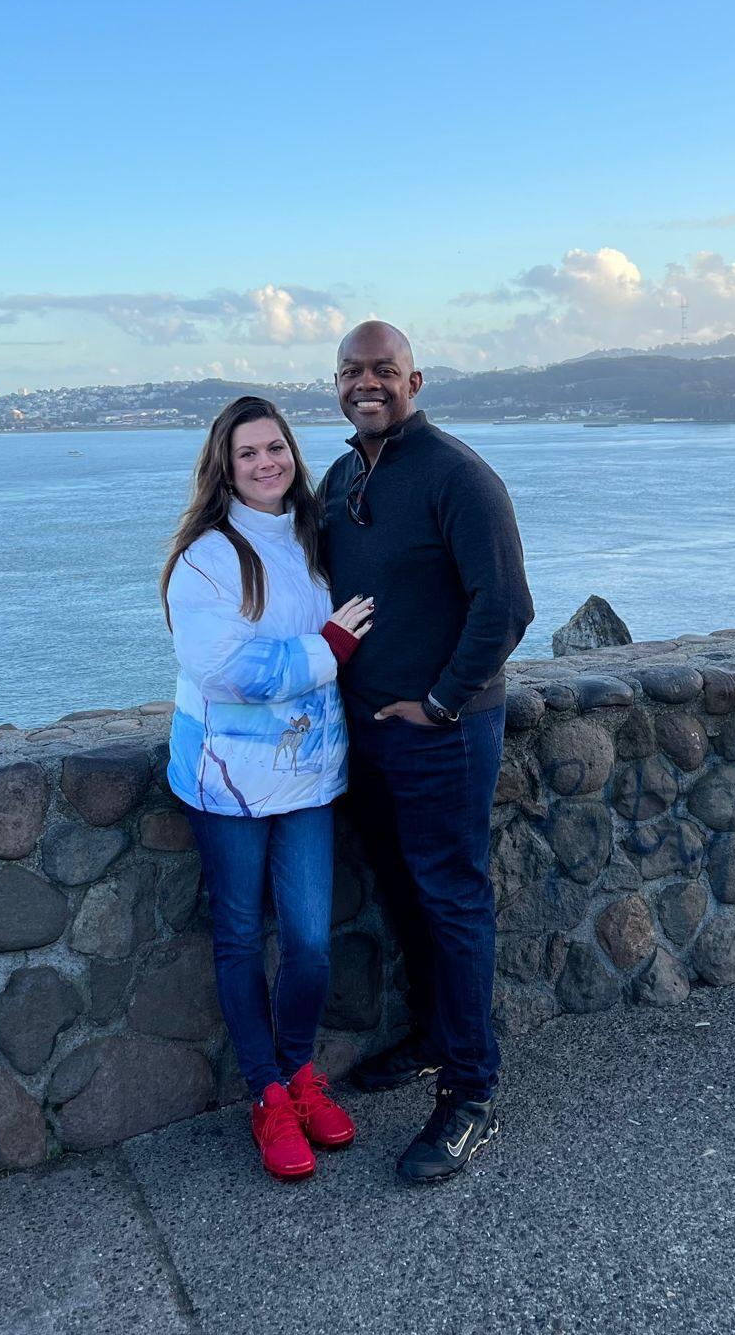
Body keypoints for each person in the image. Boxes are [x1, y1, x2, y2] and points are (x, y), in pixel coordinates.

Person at [318, 321, 534, 1183]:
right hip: (368, 730)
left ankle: (471, 1094)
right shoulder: (341, 476)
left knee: (452, 900)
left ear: (416, 379)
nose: (367, 384)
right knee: (405, 893)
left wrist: (440, 703)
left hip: (444, 731)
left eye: (384, 371)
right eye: (351, 372)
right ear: (336, 384)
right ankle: (434, 1038)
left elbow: (506, 604)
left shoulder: (458, 477)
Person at [163, 394, 374, 1182]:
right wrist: (327, 648)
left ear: (292, 453)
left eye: (275, 448)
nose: (265, 463)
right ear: (225, 466)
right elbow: (224, 668)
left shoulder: (317, 540)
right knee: (242, 939)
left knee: (312, 943)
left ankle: (299, 1072)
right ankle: (268, 1095)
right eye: (248, 453)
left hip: (311, 777)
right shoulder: (207, 558)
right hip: (230, 785)